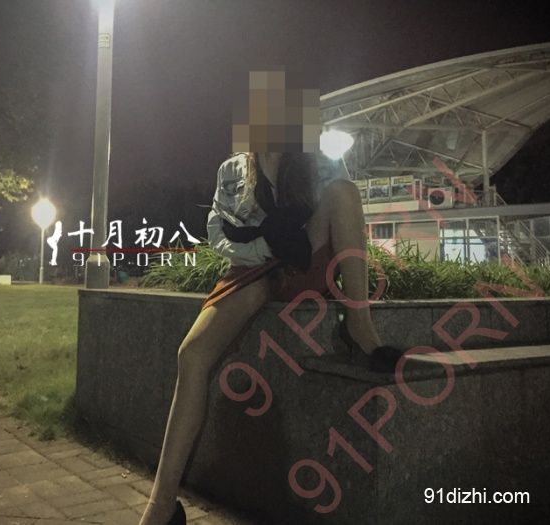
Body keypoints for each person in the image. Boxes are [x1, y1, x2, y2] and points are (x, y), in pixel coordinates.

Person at [138, 70, 403, 525]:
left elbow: (337, 219)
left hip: (304, 260)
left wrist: (292, 244)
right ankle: (162, 506)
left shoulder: (317, 162)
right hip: (253, 269)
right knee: (191, 355)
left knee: (344, 192)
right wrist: (265, 247)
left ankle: (360, 325)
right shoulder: (232, 170)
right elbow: (218, 234)